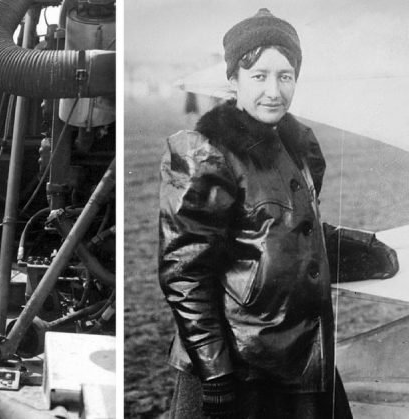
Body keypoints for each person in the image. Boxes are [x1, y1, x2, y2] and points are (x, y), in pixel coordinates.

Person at [158, 9, 399, 419]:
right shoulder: (205, 154)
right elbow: (186, 274)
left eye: (285, 76)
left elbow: (289, 230)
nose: (274, 90)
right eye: (259, 76)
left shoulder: (299, 144)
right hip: (241, 367)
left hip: (301, 356)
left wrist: (373, 250)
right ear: (233, 80)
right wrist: (215, 374)